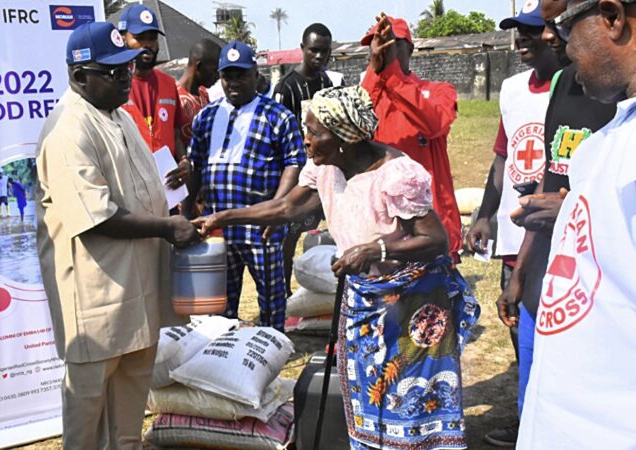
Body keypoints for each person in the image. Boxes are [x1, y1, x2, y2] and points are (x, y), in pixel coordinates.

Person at [194, 86, 479, 450]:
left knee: (413, 395)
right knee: (367, 388)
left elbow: (436, 239)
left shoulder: (397, 174)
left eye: (314, 132)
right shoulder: (325, 167)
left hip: (414, 301)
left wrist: (376, 248)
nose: (306, 140)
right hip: (364, 297)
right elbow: (286, 207)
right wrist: (222, 218)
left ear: (345, 137)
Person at [35, 22, 199, 449]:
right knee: (87, 415)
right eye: (112, 72)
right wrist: (168, 228)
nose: (126, 77)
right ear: (79, 75)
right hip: (96, 297)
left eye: (126, 67)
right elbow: (98, 216)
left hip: (138, 290)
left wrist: (177, 188)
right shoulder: (68, 129)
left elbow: (145, 187)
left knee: (129, 414)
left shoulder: (121, 116)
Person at [486, 0, 618, 446]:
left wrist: (576, 209)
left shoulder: (619, 106)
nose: (548, 35)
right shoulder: (565, 84)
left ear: (613, 17)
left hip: (596, 295)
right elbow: (549, 181)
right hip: (546, 278)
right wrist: (520, 273)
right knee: (537, 394)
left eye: (559, 24)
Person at [463, 2, 560, 444]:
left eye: (531, 31)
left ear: (553, 36)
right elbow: (502, 158)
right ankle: (526, 417)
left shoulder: (574, 87)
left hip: (557, 231)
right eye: (517, 31)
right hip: (515, 232)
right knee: (519, 328)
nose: (521, 39)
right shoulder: (512, 89)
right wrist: (484, 214)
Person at [185, 41, 306, 331]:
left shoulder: (277, 116)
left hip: (261, 227)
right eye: (228, 76)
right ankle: (226, 349)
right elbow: (194, 165)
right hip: (217, 227)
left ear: (255, 74)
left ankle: (273, 346)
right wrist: (187, 212)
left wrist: (277, 211)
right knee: (221, 304)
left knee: (271, 300)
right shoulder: (206, 116)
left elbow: (294, 163)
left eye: (241, 75)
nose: (234, 82)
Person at [360, 15, 463, 262]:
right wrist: (375, 73)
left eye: (390, 43)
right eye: (377, 44)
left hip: (431, 223)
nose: (383, 49)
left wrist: (393, 76)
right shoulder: (370, 95)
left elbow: (433, 124)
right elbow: (353, 125)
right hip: (384, 224)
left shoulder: (438, 91)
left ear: (410, 49)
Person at [273, 22, 334, 295]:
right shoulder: (286, 88)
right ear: (302, 49)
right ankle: (283, 291)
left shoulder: (326, 84)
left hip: (326, 174)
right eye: (314, 50)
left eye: (324, 51)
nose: (319, 56)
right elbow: (275, 136)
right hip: (297, 177)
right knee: (289, 236)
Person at [118, 4, 189, 191]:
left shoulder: (168, 83)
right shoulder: (113, 85)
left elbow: (175, 133)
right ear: (123, 39)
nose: (147, 45)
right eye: (140, 38)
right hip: (130, 189)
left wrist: (183, 160)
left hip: (166, 190)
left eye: (152, 38)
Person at [176, 39, 221, 146]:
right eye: (215, 70)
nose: (218, 76)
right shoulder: (175, 98)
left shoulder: (203, 95)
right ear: (199, 66)